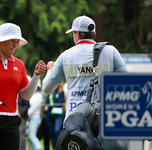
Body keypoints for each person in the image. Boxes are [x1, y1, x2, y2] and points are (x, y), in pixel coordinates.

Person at [42, 15, 128, 150]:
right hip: (105, 125)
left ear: (76, 34)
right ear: (94, 33)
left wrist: (50, 70)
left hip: (74, 125)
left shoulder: (65, 56)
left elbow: (46, 88)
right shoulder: (111, 52)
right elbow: (127, 84)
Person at [44, 82, 65, 150]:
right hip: (49, 116)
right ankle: (54, 148)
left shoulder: (61, 92)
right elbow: (47, 102)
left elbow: (59, 103)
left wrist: (49, 107)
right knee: (51, 133)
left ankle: (59, 147)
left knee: (57, 130)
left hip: (58, 115)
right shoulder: (51, 92)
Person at [27, 79, 43, 150]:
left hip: (35, 118)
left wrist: (28, 114)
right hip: (30, 119)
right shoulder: (31, 95)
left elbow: (34, 107)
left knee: (31, 136)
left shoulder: (39, 96)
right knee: (29, 137)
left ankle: (39, 148)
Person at [18, 75, 31, 150]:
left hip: (21, 117)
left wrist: (20, 114)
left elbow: (27, 105)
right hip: (14, 116)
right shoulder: (17, 92)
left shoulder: (24, 92)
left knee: (21, 135)